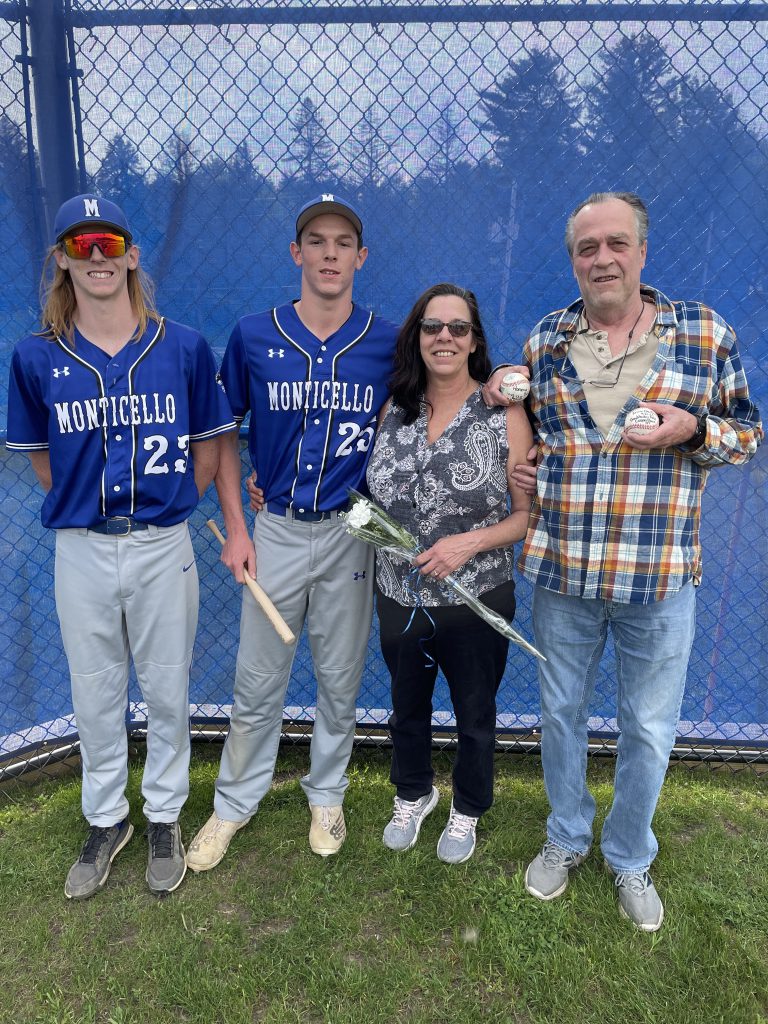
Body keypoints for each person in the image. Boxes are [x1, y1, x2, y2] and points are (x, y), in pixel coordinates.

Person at [500, 191, 762, 931]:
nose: (601, 258)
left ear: (642, 253)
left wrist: (691, 427)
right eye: (587, 248)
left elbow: (746, 434)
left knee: (648, 728)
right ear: (574, 260)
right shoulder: (546, 339)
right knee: (560, 714)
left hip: (658, 576)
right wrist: (526, 469)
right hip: (565, 574)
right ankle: (565, 836)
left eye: (616, 243)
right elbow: (535, 439)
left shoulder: (705, 333)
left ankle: (629, 854)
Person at [5, 193, 236, 898]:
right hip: (81, 546)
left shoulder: (184, 346)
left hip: (163, 543)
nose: (98, 256)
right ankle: (108, 819)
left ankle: (162, 815)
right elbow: (44, 460)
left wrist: (175, 509)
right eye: (81, 245)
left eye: (109, 242)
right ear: (62, 261)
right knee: (96, 689)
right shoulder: (35, 356)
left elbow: (210, 446)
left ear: (133, 254)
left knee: (167, 686)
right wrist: (88, 504)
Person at [185, 195, 399, 867]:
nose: (330, 253)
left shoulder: (389, 342)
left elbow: (431, 408)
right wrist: (238, 525)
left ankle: (326, 793)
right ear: (296, 253)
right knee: (257, 682)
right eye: (316, 240)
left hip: (352, 534)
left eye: (343, 243)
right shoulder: (254, 334)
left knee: (339, 679)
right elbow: (222, 430)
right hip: (275, 528)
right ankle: (232, 805)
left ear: (361, 257)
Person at [366, 283, 533, 864]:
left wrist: (469, 544)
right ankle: (413, 792)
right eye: (432, 326)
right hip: (399, 592)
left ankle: (467, 808)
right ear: (417, 337)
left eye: (457, 328)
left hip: (477, 594)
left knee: (474, 710)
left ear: (474, 341)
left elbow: (524, 517)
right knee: (407, 704)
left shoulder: (504, 416)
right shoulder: (394, 410)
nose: (444, 337)